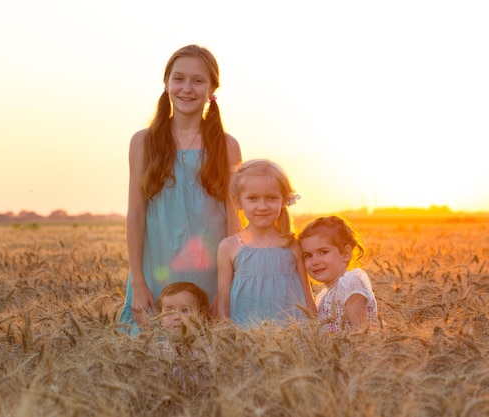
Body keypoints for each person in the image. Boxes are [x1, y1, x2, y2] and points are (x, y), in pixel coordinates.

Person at [119, 45, 242, 335]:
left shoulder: (226, 146)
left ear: (212, 88)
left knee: (209, 354)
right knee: (153, 356)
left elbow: (234, 220)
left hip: (211, 271)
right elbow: (135, 214)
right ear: (166, 83)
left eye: (198, 81)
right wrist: (139, 282)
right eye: (179, 78)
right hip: (157, 266)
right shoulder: (142, 142)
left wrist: (225, 289)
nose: (187, 88)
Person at [217, 159, 317, 328]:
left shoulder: (292, 245)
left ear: (284, 200)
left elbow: (308, 297)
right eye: (253, 198)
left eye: (271, 198)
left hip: (292, 337)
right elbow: (223, 303)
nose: (262, 206)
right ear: (238, 201)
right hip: (246, 339)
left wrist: (318, 334)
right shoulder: (228, 248)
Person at [298, 216, 378, 333]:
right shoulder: (322, 296)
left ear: (346, 254)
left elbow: (362, 333)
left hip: (356, 351)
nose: (315, 261)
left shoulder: (350, 283)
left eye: (323, 252)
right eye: (308, 255)